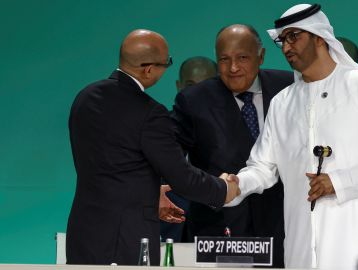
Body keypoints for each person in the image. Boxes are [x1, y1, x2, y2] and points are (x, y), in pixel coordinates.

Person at [225, 4, 358, 270]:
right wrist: (236, 184)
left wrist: (339, 182)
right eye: (282, 41)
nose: (286, 48)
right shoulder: (283, 103)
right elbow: (263, 167)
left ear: (319, 37)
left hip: (357, 237)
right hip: (301, 243)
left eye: (293, 37)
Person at [66, 29, 239, 265]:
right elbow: (181, 177)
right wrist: (222, 189)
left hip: (83, 233)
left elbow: (113, 167)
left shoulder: (84, 98)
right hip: (126, 240)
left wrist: (148, 194)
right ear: (148, 69)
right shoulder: (149, 112)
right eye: (165, 63)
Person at [171, 24, 294, 267]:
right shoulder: (194, 100)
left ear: (261, 57)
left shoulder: (290, 88)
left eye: (242, 58)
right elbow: (171, 155)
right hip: (219, 230)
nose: (233, 68)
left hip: (284, 228)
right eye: (224, 60)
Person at [161, 56, 218, 242]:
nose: (197, 93)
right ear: (178, 86)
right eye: (190, 85)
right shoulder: (157, 128)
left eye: (206, 85)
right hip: (166, 233)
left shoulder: (234, 130)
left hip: (215, 234)